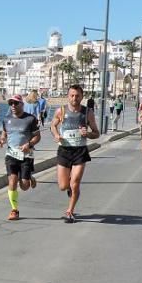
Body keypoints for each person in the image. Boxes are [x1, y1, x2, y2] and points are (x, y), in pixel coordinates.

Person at [51, 84, 100, 223]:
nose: (74, 98)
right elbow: (53, 125)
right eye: (72, 95)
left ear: (82, 97)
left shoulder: (87, 113)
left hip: (80, 151)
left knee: (75, 183)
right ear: (68, 96)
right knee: (63, 186)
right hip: (64, 150)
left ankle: (69, 211)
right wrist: (56, 135)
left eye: (77, 96)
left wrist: (88, 134)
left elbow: (97, 133)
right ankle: (69, 188)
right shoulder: (60, 111)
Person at [0, 94, 40, 220]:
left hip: (26, 155)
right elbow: (4, 134)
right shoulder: (6, 119)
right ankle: (14, 210)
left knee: (24, 186)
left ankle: (28, 177)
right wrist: (1, 140)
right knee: (12, 181)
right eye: (11, 103)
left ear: (22, 104)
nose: (13, 106)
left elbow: (37, 136)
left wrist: (29, 144)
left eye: (16, 103)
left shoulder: (30, 119)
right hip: (11, 154)